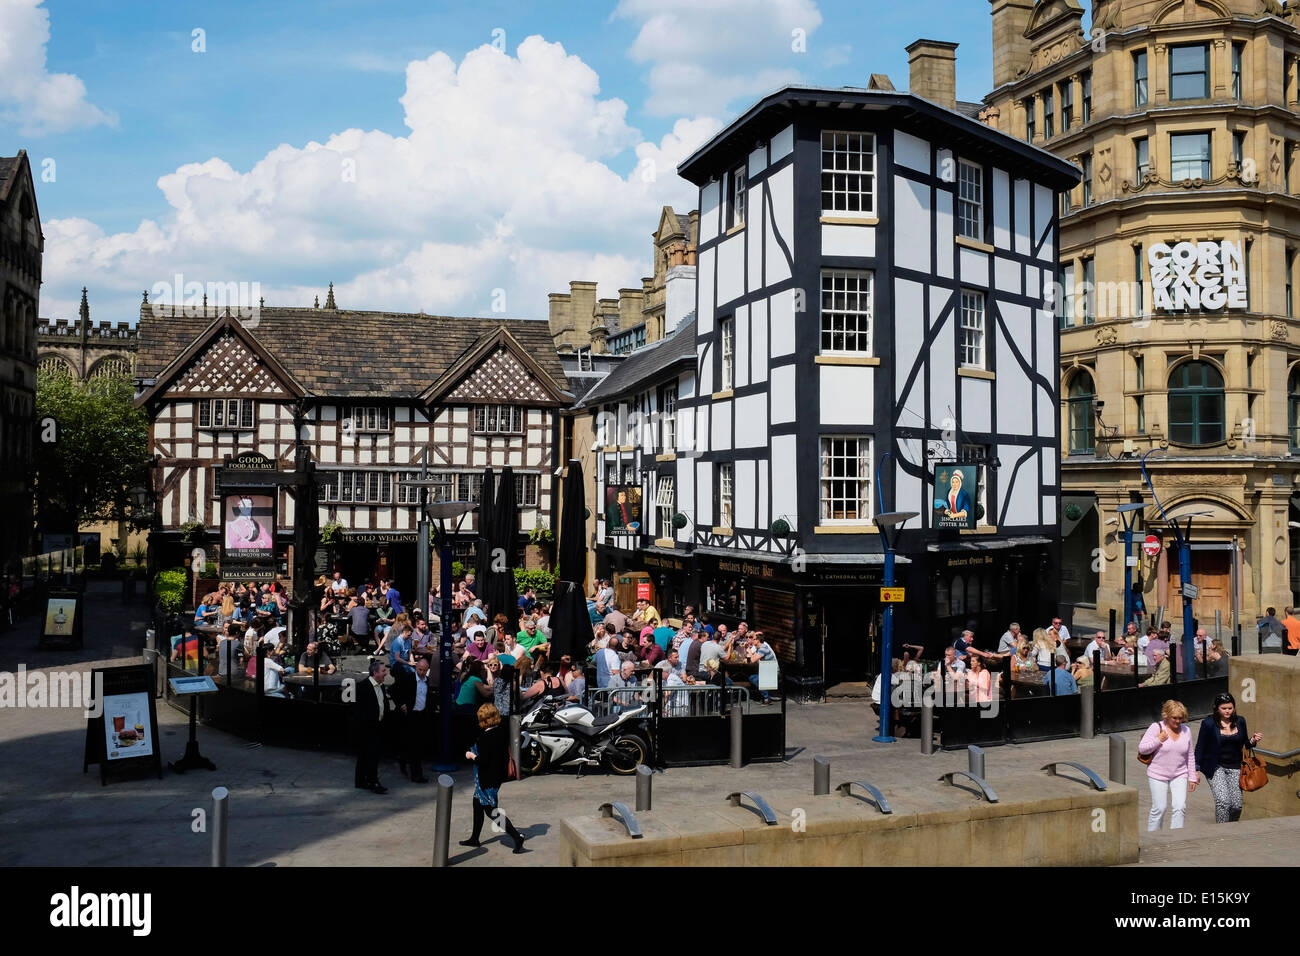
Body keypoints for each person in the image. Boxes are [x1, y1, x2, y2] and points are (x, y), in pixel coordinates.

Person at [461, 703, 526, 853]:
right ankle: (474, 838)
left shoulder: (485, 737)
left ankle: (516, 837)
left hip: (486, 779)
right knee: (477, 804)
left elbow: (482, 761)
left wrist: (471, 755)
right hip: (496, 777)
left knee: (491, 811)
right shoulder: (500, 732)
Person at [1195, 692, 1263, 824]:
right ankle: (1221, 831)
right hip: (1215, 767)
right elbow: (1200, 747)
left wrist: (1253, 740)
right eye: (1224, 708)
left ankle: (1230, 828)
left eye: (1230, 708)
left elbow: (1245, 744)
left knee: (1236, 806)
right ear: (1216, 708)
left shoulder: (1240, 721)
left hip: (1236, 766)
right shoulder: (1208, 724)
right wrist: (1195, 769)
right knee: (1223, 802)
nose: (1227, 711)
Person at [1139, 700, 1198, 831]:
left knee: (1180, 806)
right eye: (1174, 718)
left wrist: (1192, 776)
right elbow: (1142, 749)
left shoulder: (1186, 730)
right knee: (1159, 808)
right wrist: (1158, 740)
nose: (1178, 721)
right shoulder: (1156, 727)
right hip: (1158, 774)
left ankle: (1176, 836)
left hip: (1179, 773)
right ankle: (1153, 836)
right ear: (1166, 716)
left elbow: (1190, 754)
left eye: (1180, 718)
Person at [353, 659, 394, 794]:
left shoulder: (381, 686)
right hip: (367, 728)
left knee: (371, 755)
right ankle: (371, 781)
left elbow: (383, 705)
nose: (385, 673)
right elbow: (358, 711)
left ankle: (363, 780)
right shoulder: (362, 687)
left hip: (377, 727)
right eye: (383, 671)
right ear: (375, 673)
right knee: (369, 756)